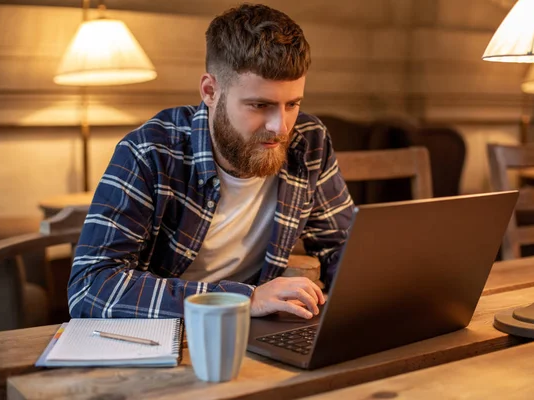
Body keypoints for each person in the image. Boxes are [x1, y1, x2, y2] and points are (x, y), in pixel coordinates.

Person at [67, 3, 354, 321]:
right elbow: (89, 288)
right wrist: (244, 299)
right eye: (260, 105)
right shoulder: (150, 152)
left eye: (292, 104)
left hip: (253, 330)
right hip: (166, 334)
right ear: (210, 91)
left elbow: (341, 248)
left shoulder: (308, 141)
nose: (281, 126)